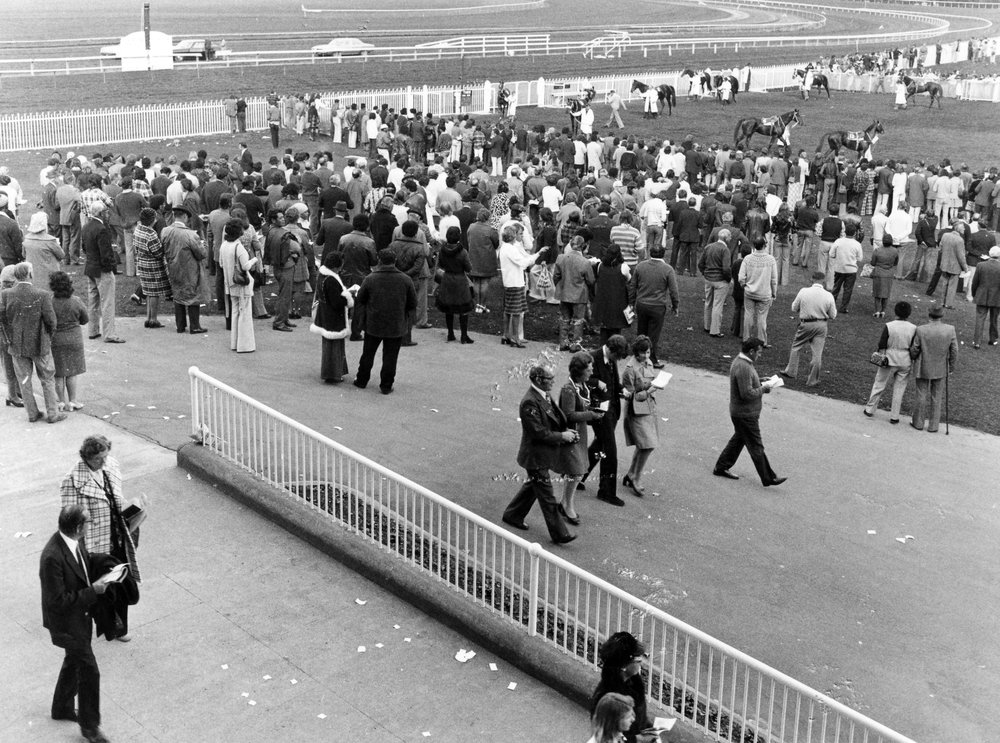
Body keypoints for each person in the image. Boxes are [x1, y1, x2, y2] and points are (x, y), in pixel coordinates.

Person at [40, 505, 114, 743]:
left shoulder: (73, 541)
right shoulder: (52, 557)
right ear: (77, 528)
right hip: (66, 625)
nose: (89, 527)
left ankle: (61, 707)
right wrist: (93, 591)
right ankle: (90, 728)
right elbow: (57, 601)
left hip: (79, 620)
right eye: (87, 523)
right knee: (90, 671)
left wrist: (108, 565)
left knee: (74, 661)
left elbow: (84, 563)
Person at [60, 435, 141, 642]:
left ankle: (119, 628)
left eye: (105, 456)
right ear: (86, 457)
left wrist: (133, 507)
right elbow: (71, 521)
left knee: (120, 582)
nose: (103, 462)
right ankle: (106, 624)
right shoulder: (72, 481)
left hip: (118, 537)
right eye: (98, 459)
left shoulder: (110, 466)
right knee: (103, 590)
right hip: (95, 544)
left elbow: (116, 498)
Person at [501, 364, 577, 545]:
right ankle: (560, 534)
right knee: (547, 496)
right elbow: (538, 432)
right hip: (535, 456)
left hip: (541, 455)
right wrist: (563, 436)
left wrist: (567, 431)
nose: (553, 382)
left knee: (534, 487)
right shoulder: (529, 402)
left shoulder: (543, 394)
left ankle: (513, 514)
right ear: (538, 380)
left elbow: (555, 417)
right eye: (550, 379)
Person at [713, 338, 785, 486]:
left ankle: (721, 466)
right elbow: (746, 394)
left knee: (739, 440)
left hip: (742, 413)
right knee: (756, 446)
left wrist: (760, 380)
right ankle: (768, 477)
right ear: (751, 351)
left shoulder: (743, 362)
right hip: (745, 414)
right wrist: (764, 388)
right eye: (759, 352)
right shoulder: (744, 366)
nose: (760, 355)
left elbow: (747, 383)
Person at [0, 262, 66, 423]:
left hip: (17, 345)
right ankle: (53, 413)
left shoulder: (6, 294)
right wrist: (48, 336)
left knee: (24, 380)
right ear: (30, 274)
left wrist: (9, 336)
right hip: (40, 343)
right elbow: (51, 321)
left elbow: (2, 318)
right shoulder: (42, 294)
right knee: (47, 378)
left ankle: (32, 413)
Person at [353, 248, 417, 395]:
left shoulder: (370, 278)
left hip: (374, 323)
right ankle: (386, 385)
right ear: (394, 262)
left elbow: (361, 299)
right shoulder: (405, 280)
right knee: (391, 357)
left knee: (368, 354)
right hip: (396, 324)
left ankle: (362, 380)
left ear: (379, 261)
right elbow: (412, 303)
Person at [553, 351, 604, 525]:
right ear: (580, 371)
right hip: (571, 434)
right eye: (589, 369)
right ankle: (567, 505)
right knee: (576, 470)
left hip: (580, 433)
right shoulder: (568, 389)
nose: (591, 372)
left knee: (577, 470)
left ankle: (565, 502)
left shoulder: (582, 385)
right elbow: (568, 415)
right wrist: (591, 415)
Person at [582, 334, 629, 507]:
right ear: (610, 349)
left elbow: (614, 382)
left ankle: (578, 475)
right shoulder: (592, 358)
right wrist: (597, 383)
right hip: (599, 412)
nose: (618, 360)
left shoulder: (611, 359)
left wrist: (622, 390)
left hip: (611, 410)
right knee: (610, 451)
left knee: (599, 445)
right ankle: (606, 491)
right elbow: (583, 381)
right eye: (617, 356)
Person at [589, 632, 656, 743]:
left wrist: (649, 729)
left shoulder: (634, 682)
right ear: (624, 666)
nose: (641, 663)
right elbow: (604, 734)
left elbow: (640, 717)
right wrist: (637, 739)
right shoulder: (607, 698)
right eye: (638, 660)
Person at [779, 271, 837, 387]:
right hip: (821, 325)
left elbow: (794, 308)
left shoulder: (804, 291)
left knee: (796, 346)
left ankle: (791, 371)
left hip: (806, 323)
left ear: (812, 279)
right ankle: (812, 380)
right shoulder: (828, 295)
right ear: (823, 281)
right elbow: (833, 315)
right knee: (817, 353)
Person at [863, 301, 916, 423]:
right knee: (899, 389)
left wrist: (881, 356)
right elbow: (914, 346)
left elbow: (882, 343)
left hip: (888, 358)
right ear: (909, 314)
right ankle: (894, 416)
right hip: (905, 359)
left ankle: (870, 409)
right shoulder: (913, 328)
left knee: (879, 383)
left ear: (896, 312)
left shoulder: (889, 325)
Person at [621, 336, 660, 498]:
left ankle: (631, 474)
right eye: (642, 353)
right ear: (635, 352)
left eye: (648, 352)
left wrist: (657, 383)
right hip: (636, 411)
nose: (645, 356)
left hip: (649, 409)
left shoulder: (648, 362)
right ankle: (636, 478)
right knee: (648, 444)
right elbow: (630, 396)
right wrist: (650, 390)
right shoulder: (630, 369)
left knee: (644, 445)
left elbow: (649, 380)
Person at [909, 304, 958, 433]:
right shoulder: (950, 329)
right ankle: (933, 426)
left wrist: (912, 357)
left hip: (923, 366)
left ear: (929, 314)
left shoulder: (921, 329)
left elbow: (915, 348)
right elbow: (954, 350)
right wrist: (951, 367)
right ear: (942, 315)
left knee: (921, 394)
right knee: (937, 396)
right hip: (941, 367)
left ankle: (918, 423)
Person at [628, 245, 679, 368]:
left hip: (642, 304)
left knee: (641, 331)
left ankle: (638, 356)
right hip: (657, 306)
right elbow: (673, 290)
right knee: (653, 335)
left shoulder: (641, 266)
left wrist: (631, 302)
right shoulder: (668, 269)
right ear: (663, 254)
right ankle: (652, 359)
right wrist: (675, 304)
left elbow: (633, 286)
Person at [81, 202, 124, 344]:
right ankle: (109, 334)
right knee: (107, 302)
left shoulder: (86, 226)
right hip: (102, 270)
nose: (107, 214)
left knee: (93, 301)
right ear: (100, 213)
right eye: (105, 212)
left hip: (90, 268)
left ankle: (93, 330)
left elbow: (84, 248)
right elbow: (105, 254)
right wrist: (111, 268)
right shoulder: (102, 229)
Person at [162, 205, 208, 334]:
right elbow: (201, 253)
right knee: (192, 295)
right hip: (190, 269)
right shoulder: (190, 234)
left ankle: (180, 326)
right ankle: (195, 326)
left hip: (173, 268)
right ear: (185, 216)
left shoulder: (165, 231)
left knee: (177, 294)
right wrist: (203, 246)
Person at [310, 252, 354, 383]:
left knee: (329, 346)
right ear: (336, 266)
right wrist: (349, 296)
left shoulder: (323, 276)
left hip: (325, 314)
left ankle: (333, 372)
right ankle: (333, 374)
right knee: (334, 347)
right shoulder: (332, 280)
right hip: (334, 317)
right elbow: (336, 302)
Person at [498, 221, 544, 348]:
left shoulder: (503, 248)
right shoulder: (511, 249)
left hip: (508, 281)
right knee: (516, 311)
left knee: (507, 310)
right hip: (515, 282)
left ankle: (506, 334)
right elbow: (523, 263)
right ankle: (515, 337)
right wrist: (538, 254)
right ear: (513, 236)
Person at [49, 271, 88, 411]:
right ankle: (73, 401)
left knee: (58, 373)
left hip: (56, 340)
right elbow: (85, 319)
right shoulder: (76, 300)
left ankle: (60, 401)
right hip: (74, 339)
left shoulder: (50, 301)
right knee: (72, 372)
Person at [219, 218, 258, 353]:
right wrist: (254, 259)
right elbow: (246, 266)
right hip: (241, 284)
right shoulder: (238, 247)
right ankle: (244, 345)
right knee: (245, 313)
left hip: (229, 283)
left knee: (235, 312)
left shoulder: (224, 245)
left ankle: (234, 343)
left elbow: (221, 264)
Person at [554, 234, 595, 352]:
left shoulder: (561, 258)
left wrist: (561, 286)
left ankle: (563, 342)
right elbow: (591, 280)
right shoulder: (585, 262)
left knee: (564, 318)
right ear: (583, 246)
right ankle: (575, 343)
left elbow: (556, 276)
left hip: (564, 292)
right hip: (579, 294)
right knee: (578, 320)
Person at [435, 226, 475, 344]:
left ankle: (450, 334)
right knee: (463, 308)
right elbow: (468, 268)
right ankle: (463, 336)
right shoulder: (463, 252)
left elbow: (441, 264)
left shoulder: (442, 250)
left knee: (449, 307)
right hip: (460, 280)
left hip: (447, 279)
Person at [133, 208, 169, 328]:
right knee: (154, 293)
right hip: (152, 264)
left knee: (148, 292)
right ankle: (153, 319)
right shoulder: (151, 234)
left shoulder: (138, 229)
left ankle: (148, 318)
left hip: (141, 262)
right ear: (152, 220)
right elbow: (158, 252)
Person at [738, 237, 777, 346]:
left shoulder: (747, 259)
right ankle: (762, 341)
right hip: (764, 294)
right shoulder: (770, 260)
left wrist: (744, 285)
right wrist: (774, 293)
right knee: (762, 318)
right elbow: (774, 279)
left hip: (749, 292)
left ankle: (746, 339)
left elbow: (741, 277)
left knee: (748, 315)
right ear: (765, 245)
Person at [591, 245, 631, 345]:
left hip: (603, 300)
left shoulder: (600, 265)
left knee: (604, 330)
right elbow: (629, 279)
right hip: (617, 301)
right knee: (616, 330)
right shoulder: (623, 267)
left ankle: (603, 350)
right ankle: (614, 350)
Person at [698, 232, 732, 337]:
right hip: (720, 281)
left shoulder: (708, 247)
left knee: (708, 302)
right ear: (726, 238)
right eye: (730, 237)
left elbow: (700, 263)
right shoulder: (725, 250)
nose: (731, 238)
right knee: (717, 305)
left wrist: (704, 273)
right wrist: (728, 279)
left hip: (708, 279)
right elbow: (726, 268)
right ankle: (715, 330)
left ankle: (707, 326)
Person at [22, 211, 64, 290]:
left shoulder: (26, 239)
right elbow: (61, 255)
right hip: (49, 274)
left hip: (33, 273)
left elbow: (24, 255)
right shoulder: (50, 240)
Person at [828, 222, 864, 313]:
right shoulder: (857, 244)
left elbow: (831, 254)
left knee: (836, 288)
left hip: (839, 268)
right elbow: (860, 258)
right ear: (855, 233)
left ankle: (831, 306)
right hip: (851, 270)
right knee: (848, 289)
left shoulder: (838, 241)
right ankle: (843, 308)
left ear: (844, 231)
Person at [971, 246, 1000, 348]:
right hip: (997, 297)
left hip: (982, 295)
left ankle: (977, 341)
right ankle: (993, 339)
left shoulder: (980, 265)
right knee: (994, 319)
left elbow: (975, 282)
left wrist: (974, 294)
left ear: (989, 254)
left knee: (980, 318)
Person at [938, 220, 969, 309]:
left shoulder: (945, 235)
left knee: (944, 284)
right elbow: (961, 256)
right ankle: (948, 304)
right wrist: (965, 268)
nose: (964, 229)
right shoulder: (960, 240)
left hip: (944, 263)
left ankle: (942, 302)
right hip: (954, 266)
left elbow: (941, 248)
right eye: (963, 228)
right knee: (952, 286)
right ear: (959, 229)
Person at [869, 233, 899, 318]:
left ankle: (877, 311)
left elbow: (873, 263)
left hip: (878, 273)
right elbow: (896, 262)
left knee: (877, 294)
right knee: (886, 294)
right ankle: (883, 311)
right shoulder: (895, 251)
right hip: (889, 274)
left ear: (883, 241)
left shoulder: (877, 250)